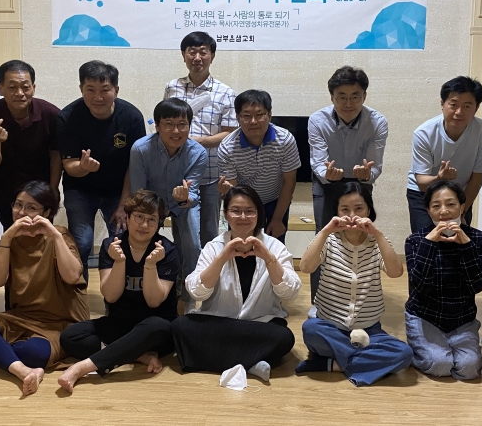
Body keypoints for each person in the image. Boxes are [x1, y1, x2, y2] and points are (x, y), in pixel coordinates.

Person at [0, 181, 89, 396]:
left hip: (60, 321)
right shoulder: (8, 240)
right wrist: (6, 238)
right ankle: (23, 371)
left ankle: (4, 353)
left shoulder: (60, 235)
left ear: (47, 212)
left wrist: (55, 235)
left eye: (31, 207)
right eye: (18, 205)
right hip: (21, 316)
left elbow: (72, 275)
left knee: (32, 352)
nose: (21, 212)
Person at [171, 185, 300, 381]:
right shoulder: (214, 247)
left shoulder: (274, 247)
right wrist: (221, 258)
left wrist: (269, 259)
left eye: (249, 211)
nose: (243, 217)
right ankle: (252, 363)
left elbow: (290, 292)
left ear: (258, 214)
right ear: (226, 214)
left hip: (258, 324)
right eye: (236, 211)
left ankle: (209, 360)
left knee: (284, 337)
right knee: (180, 326)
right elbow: (197, 292)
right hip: (219, 322)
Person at [58, 190, 179, 391]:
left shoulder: (167, 250)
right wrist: (119, 262)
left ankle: (83, 368)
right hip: (121, 324)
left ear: (158, 223)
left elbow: (154, 301)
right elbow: (111, 296)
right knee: (70, 336)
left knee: (157, 326)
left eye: (152, 219)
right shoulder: (111, 245)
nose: (144, 225)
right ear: (128, 217)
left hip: (155, 329)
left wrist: (150, 265)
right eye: (139, 217)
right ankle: (138, 354)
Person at [296, 182, 412, 385]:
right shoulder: (329, 239)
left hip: (369, 330)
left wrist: (378, 234)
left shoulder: (377, 242)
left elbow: (395, 272)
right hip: (331, 326)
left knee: (404, 354)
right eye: (345, 209)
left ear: (369, 210)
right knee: (311, 329)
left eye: (359, 208)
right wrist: (325, 231)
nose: (352, 215)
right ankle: (364, 359)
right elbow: (305, 267)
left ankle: (331, 364)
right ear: (336, 212)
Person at [307, 65, 388, 316]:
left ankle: (359, 301)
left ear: (364, 96)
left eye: (355, 96)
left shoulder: (377, 122)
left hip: (360, 184)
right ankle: (318, 303)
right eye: (341, 97)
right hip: (327, 184)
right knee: (323, 239)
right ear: (332, 97)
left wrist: (367, 175)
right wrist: (327, 175)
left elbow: (375, 164)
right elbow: (318, 161)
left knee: (360, 238)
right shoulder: (317, 120)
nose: (348, 103)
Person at [57, 60, 146, 273]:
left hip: (118, 191)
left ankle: (116, 292)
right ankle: (77, 291)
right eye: (90, 90)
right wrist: (84, 167)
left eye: (105, 90)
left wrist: (124, 204)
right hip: (80, 190)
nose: (98, 97)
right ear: (81, 89)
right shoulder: (68, 117)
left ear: (116, 90)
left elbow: (134, 166)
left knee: (121, 241)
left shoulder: (132, 117)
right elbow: (69, 165)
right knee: (82, 242)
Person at [404, 180, 482, 380]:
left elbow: (477, 284)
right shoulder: (416, 240)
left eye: (451, 204)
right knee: (439, 365)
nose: (444, 211)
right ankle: (418, 349)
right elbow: (420, 285)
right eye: (436, 206)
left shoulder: (481, 240)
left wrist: (466, 246)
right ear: (428, 211)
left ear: (462, 207)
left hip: (462, 318)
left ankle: (444, 346)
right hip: (425, 315)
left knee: (469, 369)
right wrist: (429, 244)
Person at [130, 98, 207, 312]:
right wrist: (150, 218)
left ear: (189, 126)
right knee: (140, 237)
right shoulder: (141, 149)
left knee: (192, 245)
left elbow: (192, 194)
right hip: (149, 203)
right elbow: (139, 193)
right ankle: (142, 289)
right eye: (169, 124)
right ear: (157, 126)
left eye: (182, 124)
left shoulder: (198, 153)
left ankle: (188, 297)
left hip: (183, 204)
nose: (176, 131)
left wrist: (183, 198)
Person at [164, 31, 237, 246]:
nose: (197, 58)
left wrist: (199, 142)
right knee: (182, 229)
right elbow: (165, 123)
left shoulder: (225, 92)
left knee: (209, 230)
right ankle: (182, 268)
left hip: (211, 172)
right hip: (179, 170)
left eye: (203, 52)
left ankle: (209, 269)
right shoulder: (172, 87)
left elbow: (230, 133)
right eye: (192, 52)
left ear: (212, 56)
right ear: (183, 55)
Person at [0, 60, 62, 229]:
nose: (20, 93)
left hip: (40, 190)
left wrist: (53, 189)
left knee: (40, 235)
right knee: (13, 235)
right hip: (5, 190)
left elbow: (56, 155)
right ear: (0, 89)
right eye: (12, 87)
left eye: (25, 87)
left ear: (33, 88)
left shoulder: (50, 114)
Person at [406, 76, 482, 232]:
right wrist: (439, 178)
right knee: (425, 239)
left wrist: (462, 211)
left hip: (459, 194)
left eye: (467, 106)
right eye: (453, 105)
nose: (459, 112)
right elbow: (421, 181)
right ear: (442, 104)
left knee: (458, 238)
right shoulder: (424, 133)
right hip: (424, 193)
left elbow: (476, 179)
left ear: (476, 108)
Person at [217, 89, 300, 243]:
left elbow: (289, 181)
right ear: (238, 118)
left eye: (259, 114)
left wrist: (277, 219)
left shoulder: (285, 140)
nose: (253, 121)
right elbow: (234, 191)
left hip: (275, 200)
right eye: (247, 116)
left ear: (269, 115)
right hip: (243, 201)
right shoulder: (228, 147)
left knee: (275, 245)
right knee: (241, 244)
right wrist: (226, 193)